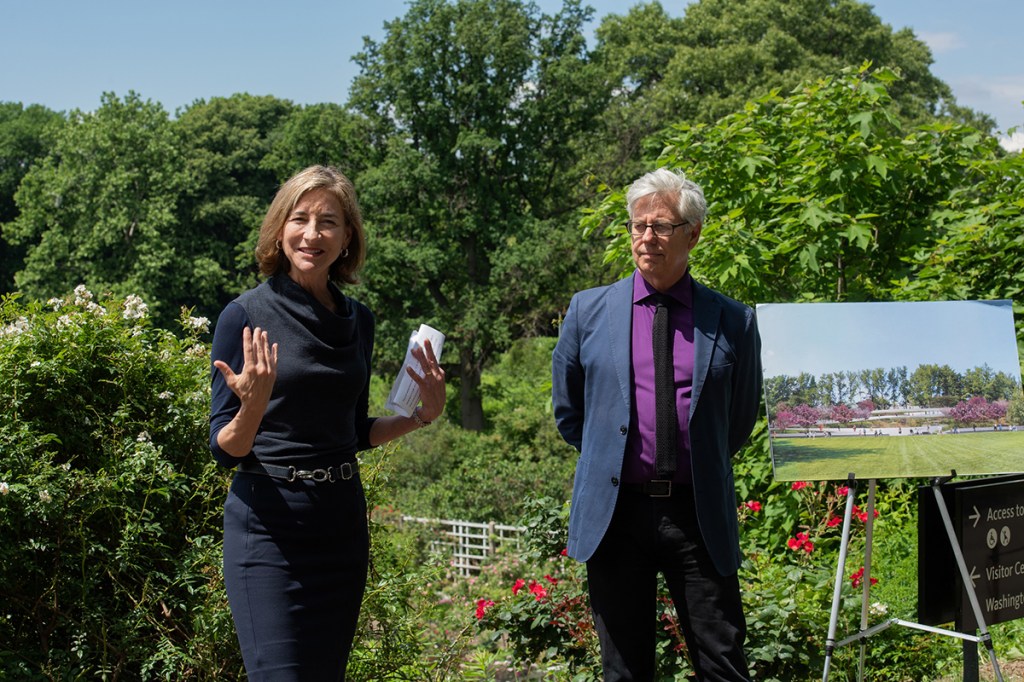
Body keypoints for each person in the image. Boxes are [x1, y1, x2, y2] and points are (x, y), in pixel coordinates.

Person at [209, 165, 446, 680]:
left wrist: (421, 416)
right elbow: (225, 450)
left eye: (328, 222)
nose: (312, 234)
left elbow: (354, 432)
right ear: (279, 228)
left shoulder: (358, 320)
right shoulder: (244, 315)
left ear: (347, 239)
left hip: (339, 523)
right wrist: (252, 405)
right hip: (268, 526)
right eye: (300, 218)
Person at [552, 168, 762, 681]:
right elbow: (569, 412)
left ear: (693, 233)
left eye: (662, 226)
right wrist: (613, 458)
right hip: (616, 514)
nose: (647, 238)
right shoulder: (587, 311)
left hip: (698, 516)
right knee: (623, 670)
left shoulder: (733, 320)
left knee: (723, 663)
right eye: (638, 225)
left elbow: (739, 419)